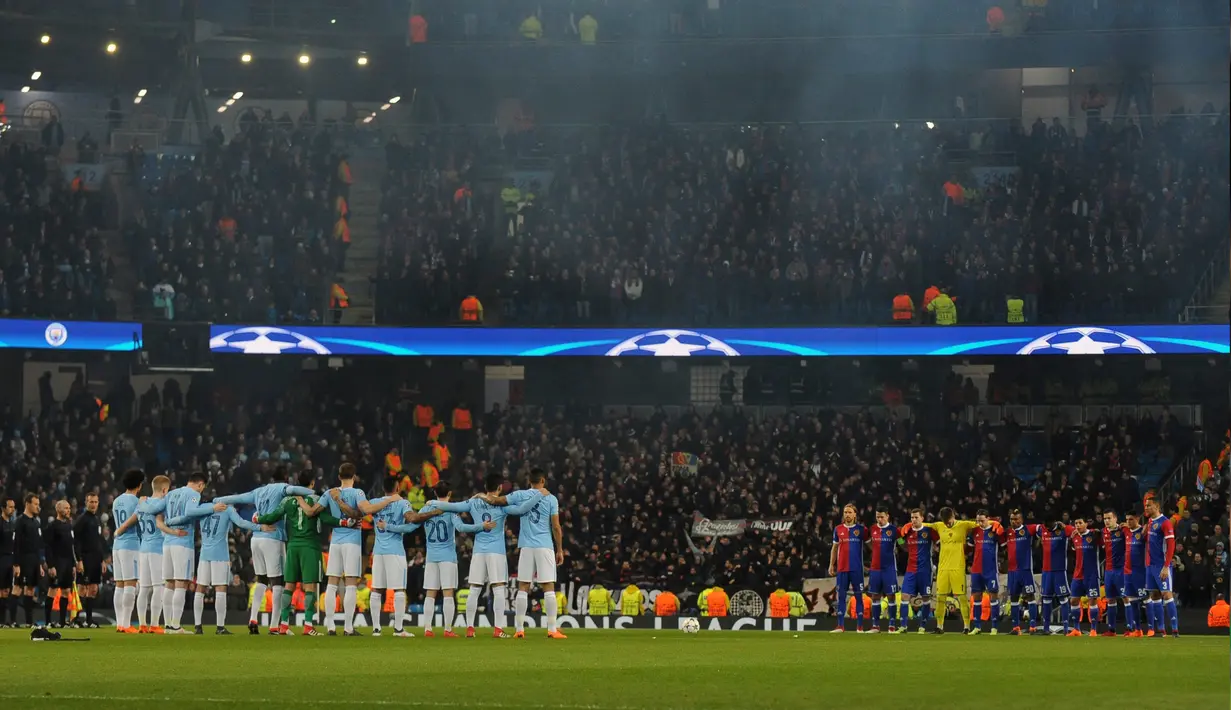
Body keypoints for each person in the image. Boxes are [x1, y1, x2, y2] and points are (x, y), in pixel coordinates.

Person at [433, 472, 540, 637]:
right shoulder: (501, 504)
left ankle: (470, 628)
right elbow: (522, 509)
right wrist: (540, 494)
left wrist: (431, 502)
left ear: (485, 487)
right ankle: (498, 629)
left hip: (478, 552)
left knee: (474, 589)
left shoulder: (474, 501)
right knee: (498, 589)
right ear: (499, 488)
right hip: (496, 552)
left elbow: (453, 507)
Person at [214, 466, 315, 635]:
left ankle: (253, 618)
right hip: (273, 538)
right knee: (278, 582)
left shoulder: (259, 491)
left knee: (261, 579)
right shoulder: (282, 489)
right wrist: (312, 491)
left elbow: (237, 497)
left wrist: (218, 499)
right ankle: (274, 626)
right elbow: (296, 490)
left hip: (256, 538)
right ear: (285, 477)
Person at [307, 462, 397, 635]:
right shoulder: (358, 493)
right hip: (352, 543)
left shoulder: (329, 493)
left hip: (335, 541)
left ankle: (330, 626)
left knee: (332, 584)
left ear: (339, 476)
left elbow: (312, 512)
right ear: (354, 477)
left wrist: (301, 499)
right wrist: (389, 500)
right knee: (350, 585)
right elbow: (366, 510)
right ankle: (348, 627)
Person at [258, 471, 349, 636]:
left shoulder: (287, 500)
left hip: (292, 546)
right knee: (310, 586)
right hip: (310, 547)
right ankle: (308, 625)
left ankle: (284, 625)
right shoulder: (316, 499)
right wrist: (343, 522)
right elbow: (326, 519)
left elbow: (273, 516)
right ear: (312, 483)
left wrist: (259, 519)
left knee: (289, 585)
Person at [481, 468, 563, 638]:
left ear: (529, 481)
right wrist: (560, 549)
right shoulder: (551, 498)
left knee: (523, 587)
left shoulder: (519, 495)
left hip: (526, 546)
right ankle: (552, 629)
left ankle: (519, 629)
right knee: (548, 586)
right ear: (543, 480)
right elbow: (556, 526)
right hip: (545, 545)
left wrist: (483, 496)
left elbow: (498, 501)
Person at [365, 476, 442, 637]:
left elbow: (363, 512)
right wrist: (433, 512)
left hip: (378, 551)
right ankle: (398, 629)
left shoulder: (374, 502)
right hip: (395, 551)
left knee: (377, 589)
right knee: (399, 589)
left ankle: (376, 629)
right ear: (398, 487)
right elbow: (412, 518)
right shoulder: (402, 503)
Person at [411, 483, 491, 637]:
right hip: (447, 557)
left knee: (430, 593)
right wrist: (481, 526)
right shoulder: (452, 509)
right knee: (448, 593)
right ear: (450, 493)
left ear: (434, 492)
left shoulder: (426, 509)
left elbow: (414, 522)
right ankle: (447, 630)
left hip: (431, 557)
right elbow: (461, 528)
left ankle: (428, 629)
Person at [168, 501, 259, 634]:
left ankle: (198, 626)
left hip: (205, 554)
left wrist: (169, 522)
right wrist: (260, 527)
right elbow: (241, 523)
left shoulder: (203, 508)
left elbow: (186, 516)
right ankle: (220, 627)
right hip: (220, 555)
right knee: (220, 589)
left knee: (200, 588)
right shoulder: (227, 509)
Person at [161, 472, 217, 634]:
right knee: (181, 582)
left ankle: (167, 626)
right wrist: (212, 508)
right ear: (200, 484)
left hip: (167, 542)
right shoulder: (193, 494)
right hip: (183, 543)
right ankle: (176, 625)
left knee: (169, 583)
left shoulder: (171, 494)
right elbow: (191, 511)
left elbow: (160, 512)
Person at [923, 507, 979, 634]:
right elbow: (924, 524)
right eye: (945, 522)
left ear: (953, 516)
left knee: (962, 598)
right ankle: (939, 627)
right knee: (940, 598)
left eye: (948, 521)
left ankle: (966, 627)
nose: (947, 524)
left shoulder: (963, 525)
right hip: (942, 568)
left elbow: (981, 522)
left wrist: (995, 522)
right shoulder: (939, 525)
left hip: (957, 568)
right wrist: (910, 524)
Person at [107, 471, 145, 632]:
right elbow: (137, 522)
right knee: (130, 583)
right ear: (139, 485)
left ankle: (119, 623)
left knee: (120, 585)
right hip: (131, 544)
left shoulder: (116, 501)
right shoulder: (137, 502)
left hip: (117, 546)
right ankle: (126, 624)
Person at [136, 476, 171, 633]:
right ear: (164, 490)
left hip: (143, 548)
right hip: (158, 548)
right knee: (159, 587)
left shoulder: (142, 502)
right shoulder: (163, 504)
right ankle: (155, 624)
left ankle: (142, 624)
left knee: (144, 589)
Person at [1144, 498, 1179, 637]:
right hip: (1150, 565)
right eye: (1145, 505)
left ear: (1157, 506)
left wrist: (1166, 566)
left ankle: (1175, 629)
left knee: (1166, 594)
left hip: (1161, 565)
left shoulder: (1165, 522)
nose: (1146, 508)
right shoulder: (1150, 521)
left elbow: (1171, 545)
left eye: (1149, 506)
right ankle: (1161, 629)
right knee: (1154, 595)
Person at [828, 503, 866, 633]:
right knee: (841, 597)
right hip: (842, 569)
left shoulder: (861, 530)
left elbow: (872, 546)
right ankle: (840, 626)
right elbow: (834, 548)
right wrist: (831, 564)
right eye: (845, 512)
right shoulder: (838, 529)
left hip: (857, 569)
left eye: (850, 512)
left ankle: (860, 627)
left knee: (859, 597)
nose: (847, 515)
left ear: (855, 514)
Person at [74, 492, 109, 628]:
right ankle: (76, 619)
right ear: (86, 502)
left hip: (95, 559)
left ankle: (88, 620)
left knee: (93, 589)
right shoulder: (82, 520)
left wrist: (102, 560)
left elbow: (98, 542)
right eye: (91, 502)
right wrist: (79, 560)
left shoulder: (96, 519)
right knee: (82, 588)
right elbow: (76, 541)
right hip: (85, 558)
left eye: (95, 502)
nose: (93, 504)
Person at [899, 508, 936, 633]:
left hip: (925, 570)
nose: (913, 520)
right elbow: (901, 544)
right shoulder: (907, 531)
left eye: (916, 517)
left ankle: (923, 625)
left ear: (922, 518)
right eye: (912, 518)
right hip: (911, 569)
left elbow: (939, 543)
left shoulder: (929, 531)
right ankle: (903, 626)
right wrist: (901, 537)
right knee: (904, 596)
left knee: (926, 598)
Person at [968, 510, 1004, 634]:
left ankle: (994, 627)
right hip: (976, 570)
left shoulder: (995, 530)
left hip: (991, 570)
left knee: (993, 597)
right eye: (978, 520)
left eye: (982, 520)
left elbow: (1004, 546)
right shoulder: (975, 531)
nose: (980, 523)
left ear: (988, 518)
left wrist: (997, 524)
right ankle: (977, 627)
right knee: (976, 598)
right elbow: (970, 548)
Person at [1004, 509, 1041, 634]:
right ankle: (1016, 627)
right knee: (1014, 598)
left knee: (1030, 597)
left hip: (1025, 570)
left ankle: (1033, 626)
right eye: (1012, 519)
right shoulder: (1007, 532)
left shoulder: (1028, 529)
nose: (1014, 521)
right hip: (1012, 571)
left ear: (1021, 520)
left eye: (1016, 519)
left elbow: (1041, 528)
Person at [866, 506, 900, 633]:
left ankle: (891, 625)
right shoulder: (873, 529)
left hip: (889, 568)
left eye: (881, 517)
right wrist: (875, 552)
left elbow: (901, 543)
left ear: (887, 516)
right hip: (875, 569)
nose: (879, 519)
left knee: (891, 596)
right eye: (877, 517)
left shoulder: (894, 530)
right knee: (875, 596)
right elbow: (869, 543)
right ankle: (875, 626)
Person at [44, 501, 77, 629]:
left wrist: (73, 564)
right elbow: (48, 547)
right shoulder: (52, 526)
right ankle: (47, 621)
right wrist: (51, 565)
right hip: (57, 562)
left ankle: (62, 622)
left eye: (69, 508)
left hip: (68, 562)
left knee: (66, 591)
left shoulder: (69, 526)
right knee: (52, 590)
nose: (68, 510)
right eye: (66, 508)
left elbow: (71, 547)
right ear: (58, 509)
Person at [1038, 521, 1075, 635]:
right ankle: (1045, 628)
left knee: (1063, 599)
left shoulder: (1063, 531)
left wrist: (1064, 525)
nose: (1048, 528)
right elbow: (1033, 529)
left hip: (1060, 571)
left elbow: (1074, 531)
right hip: (1046, 571)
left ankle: (1065, 628)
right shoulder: (1042, 529)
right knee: (1046, 599)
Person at [14, 493, 44, 628]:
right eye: (35, 504)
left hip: (34, 560)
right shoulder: (20, 521)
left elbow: (38, 545)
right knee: (18, 589)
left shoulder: (36, 522)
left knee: (30, 590)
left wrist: (40, 564)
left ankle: (28, 621)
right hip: (24, 559)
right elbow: (16, 544)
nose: (38, 507)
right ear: (27, 504)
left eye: (38, 504)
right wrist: (16, 564)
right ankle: (10, 621)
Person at [1067, 518, 1101, 637]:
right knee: (1074, 600)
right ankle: (1076, 629)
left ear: (1086, 523)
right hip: (1078, 574)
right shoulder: (1074, 537)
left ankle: (1093, 629)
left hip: (1091, 575)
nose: (1078, 525)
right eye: (1076, 523)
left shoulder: (1094, 535)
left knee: (1092, 601)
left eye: (1080, 523)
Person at [1100, 510, 1130, 637]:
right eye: (1105, 518)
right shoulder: (1103, 532)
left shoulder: (1123, 530)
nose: (1107, 521)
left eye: (1109, 518)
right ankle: (1111, 629)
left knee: (1125, 598)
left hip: (1120, 570)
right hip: (1108, 571)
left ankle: (1131, 628)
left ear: (1115, 518)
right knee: (1110, 599)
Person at [1123, 511, 1148, 637]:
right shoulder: (1125, 531)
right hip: (1127, 572)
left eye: (1131, 519)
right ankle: (1138, 630)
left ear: (1137, 518)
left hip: (1140, 571)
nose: (1128, 522)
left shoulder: (1143, 532)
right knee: (1132, 601)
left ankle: (1152, 628)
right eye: (1127, 519)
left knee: (1147, 600)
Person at [0, 497, 15, 628]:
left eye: (13, 507)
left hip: (10, 559)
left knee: (6, 591)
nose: (13, 509)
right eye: (10, 507)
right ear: (3, 508)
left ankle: (3, 621)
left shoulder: (12, 523)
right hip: (1, 558)